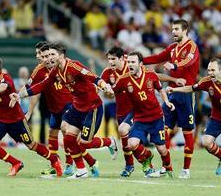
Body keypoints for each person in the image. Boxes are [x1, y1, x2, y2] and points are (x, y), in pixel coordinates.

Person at [10, 43, 118, 178]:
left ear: (61, 56)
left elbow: (93, 77)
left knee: (84, 142)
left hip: (92, 107)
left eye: (51, 55)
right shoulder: (55, 70)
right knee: (68, 138)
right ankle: (81, 170)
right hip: (77, 107)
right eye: (47, 55)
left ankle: (110, 142)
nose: (48, 58)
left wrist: (105, 85)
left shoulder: (74, 65)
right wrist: (19, 95)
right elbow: (42, 85)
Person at [143, 19, 200, 178]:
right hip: (171, 92)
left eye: (176, 29)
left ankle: (186, 169)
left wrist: (175, 66)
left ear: (185, 30)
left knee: (187, 130)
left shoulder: (192, 47)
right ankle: (166, 167)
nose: (173, 32)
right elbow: (158, 57)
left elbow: (190, 60)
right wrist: (140, 60)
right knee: (164, 129)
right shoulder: (173, 47)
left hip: (186, 93)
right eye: (172, 29)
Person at [113, 52, 175, 178]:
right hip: (139, 118)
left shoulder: (150, 75)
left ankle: (168, 168)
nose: (130, 65)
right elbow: (113, 90)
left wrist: (167, 101)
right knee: (131, 144)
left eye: (133, 62)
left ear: (140, 64)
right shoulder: (124, 79)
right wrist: (104, 89)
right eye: (128, 62)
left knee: (162, 149)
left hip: (156, 117)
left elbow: (160, 88)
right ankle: (147, 156)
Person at [167, 58, 221, 176]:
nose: (210, 73)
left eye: (213, 70)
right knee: (206, 142)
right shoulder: (206, 81)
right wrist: (174, 89)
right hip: (217, 118)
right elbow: (191, 88)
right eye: (208, 70)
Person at [101, 46, 135, 177]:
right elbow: (102, 88)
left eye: (113, 59)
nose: (110, 62)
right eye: (109, 59)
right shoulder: (107, 73)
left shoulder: (131, 67)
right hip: (121, 111)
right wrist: (107, 93)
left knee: (134, 142)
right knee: (126, 143)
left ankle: (149, 165)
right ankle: (130, 165)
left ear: (121, 58)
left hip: (136, 110)